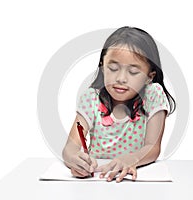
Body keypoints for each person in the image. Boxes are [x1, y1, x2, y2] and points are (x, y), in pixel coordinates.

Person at [62, 26, 176, 183]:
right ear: (103, 67)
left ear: (149, 77)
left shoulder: (153, 95)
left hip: (137, 181)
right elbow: (69, 149)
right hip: (98, 182)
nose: (121, 78)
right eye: (113, 68)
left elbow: (153, 147)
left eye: (133, 72)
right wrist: (75, 160)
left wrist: (131, 159)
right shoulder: (91, 98)